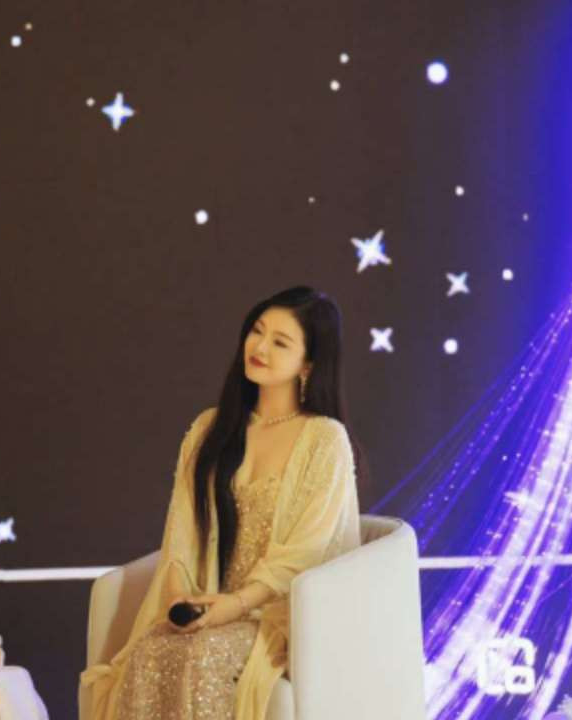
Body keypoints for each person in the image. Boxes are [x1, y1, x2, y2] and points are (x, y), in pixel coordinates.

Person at [79, 285, 368, 720]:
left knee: (204, 656)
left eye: (280, 342)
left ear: (308, 363)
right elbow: (181, 533)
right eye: (257, 331)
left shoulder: (324, 439)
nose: (260, 347)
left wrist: (236, 605)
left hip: (273, 616)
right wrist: (183, 599)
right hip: (208, 605)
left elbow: (306, 553)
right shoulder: (209, 429)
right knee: (151, 651)